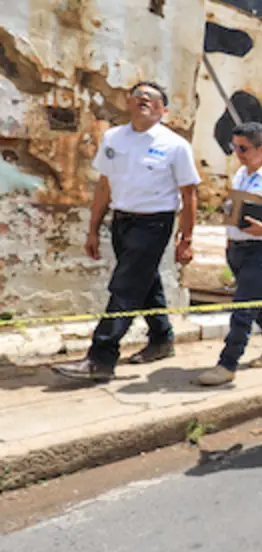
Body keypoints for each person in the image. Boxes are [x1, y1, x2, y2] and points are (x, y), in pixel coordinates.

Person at [54, 82, 201, 383]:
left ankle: (101, 358)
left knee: (124, 287)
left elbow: (189, 195)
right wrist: (93, 229)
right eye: (138, 96)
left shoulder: (175, 145)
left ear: (163, 109)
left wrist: (186, 239)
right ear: (128, 103)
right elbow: (104, 186)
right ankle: (162, 338)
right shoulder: (113, 137)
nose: (143, 100)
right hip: (121, 221)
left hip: (154, 223)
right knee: (144, 282)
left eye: (152, 98)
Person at [195, 122, 262, 386]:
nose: (238, 153)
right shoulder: (243, 173)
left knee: (242, 308)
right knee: (256, 301)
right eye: (235, 148)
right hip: (238, 248)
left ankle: (227, 363)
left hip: (261, 249)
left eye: (243, 148)